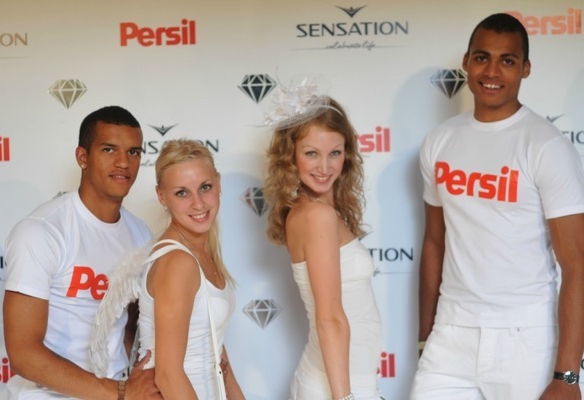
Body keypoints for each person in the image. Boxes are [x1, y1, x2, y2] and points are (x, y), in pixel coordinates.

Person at [411, 13, 584, 400]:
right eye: (482, 57)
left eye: (507, 60)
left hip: (525, 336)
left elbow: (577, 264)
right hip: (451, 332)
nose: (492, 71)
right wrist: (425, 339)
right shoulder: (439, 141)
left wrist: (568, 376)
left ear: (525, 68)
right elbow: (435, 242)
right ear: (467, 61)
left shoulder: (546, 146)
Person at [3, 106, 161, 399]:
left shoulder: (141, 234)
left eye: (133, 152)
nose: (123, 163)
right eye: (109, 149)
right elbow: (24, 354)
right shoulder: (41, 231)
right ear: (82, 157)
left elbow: (135, 328)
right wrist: (122, 392)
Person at [264, 82, 383, 400]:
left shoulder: (316, 211)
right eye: (311, 154)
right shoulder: (317, 216)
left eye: (335, 153)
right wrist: (345, 398)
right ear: (291, 156)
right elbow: (329, 319)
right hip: (337, 387)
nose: (325, 167)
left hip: (344, 380)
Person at [135, 139, 244, 399]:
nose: (198, 203)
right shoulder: (178, 262)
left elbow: (215, 347)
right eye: (182, 193)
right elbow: (168, 376)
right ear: (162, 196)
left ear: (218, 183)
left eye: (205, 187)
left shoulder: (201, 250)